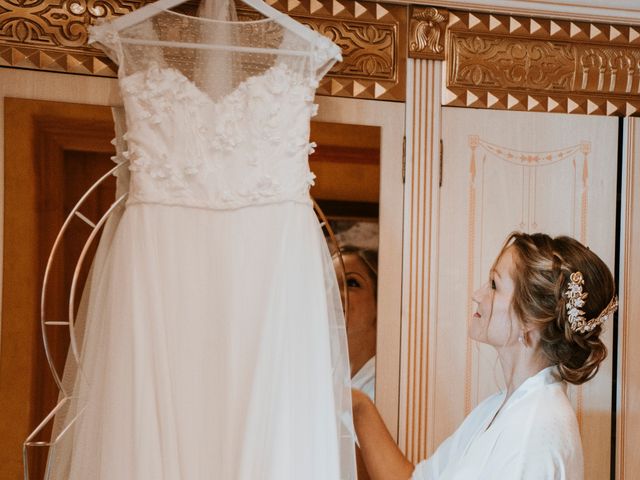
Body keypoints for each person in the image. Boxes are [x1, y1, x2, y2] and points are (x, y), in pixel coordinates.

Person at [352, 232, 618, 480]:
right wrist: (359, 406)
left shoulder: (535, 434)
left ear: (530, 318)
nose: (478, 294)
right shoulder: (497, 408)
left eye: (494, 285)